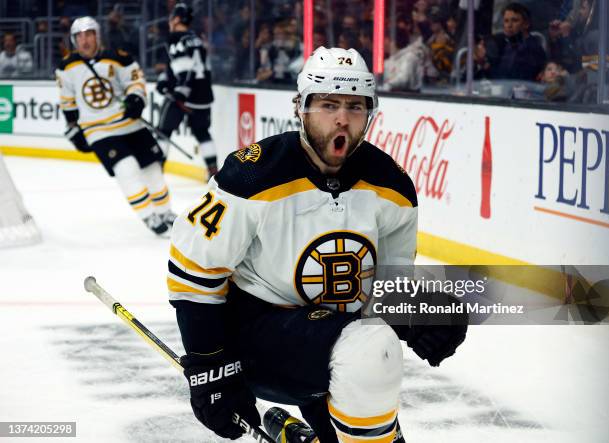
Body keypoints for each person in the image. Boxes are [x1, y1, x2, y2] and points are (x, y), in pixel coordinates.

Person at [168, 47, 467, 442]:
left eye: (355, 106)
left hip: (334, 339)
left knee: (368, 359)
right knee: (371, 349)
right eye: (328, 104)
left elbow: (386, 290)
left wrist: (419, 314)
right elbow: (192, 273)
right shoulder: (252, 176)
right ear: (301, 107)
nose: (342, 118)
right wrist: (210, 367)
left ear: (370, 113)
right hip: (254, 340)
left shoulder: (393, 188)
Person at [55, 16, 175, 236]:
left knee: (153, 169)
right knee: (126, 168)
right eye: (79, 36)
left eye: (89, 34)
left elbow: (135, 81)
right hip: (97, 130)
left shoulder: (118, 58)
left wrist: (136, 100)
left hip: (131, 125)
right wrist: (73, 128)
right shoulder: (66, 67)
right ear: (74, 40)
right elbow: (67, 100)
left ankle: (166, 212)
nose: (84, 40)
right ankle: (149, 216)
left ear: (97, 36)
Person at [156, 3, 217, 179]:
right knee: (202, 132)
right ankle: (213, 171)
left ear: (176, 19)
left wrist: (180, 93)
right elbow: (174, 68)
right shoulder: (196, 39)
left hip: (185, 95)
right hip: (204, 94)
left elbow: (183, 70)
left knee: (163, 132)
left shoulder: (175, 38)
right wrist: (162, 81)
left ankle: (156, 170)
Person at [476, 2, 546, 81]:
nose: (509, 25)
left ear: (526, 24)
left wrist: (485, 64)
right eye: (506, 21)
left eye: (514, 20)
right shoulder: (509, 43)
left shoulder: (532, 48)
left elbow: (508, 78)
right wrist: (482, 62)